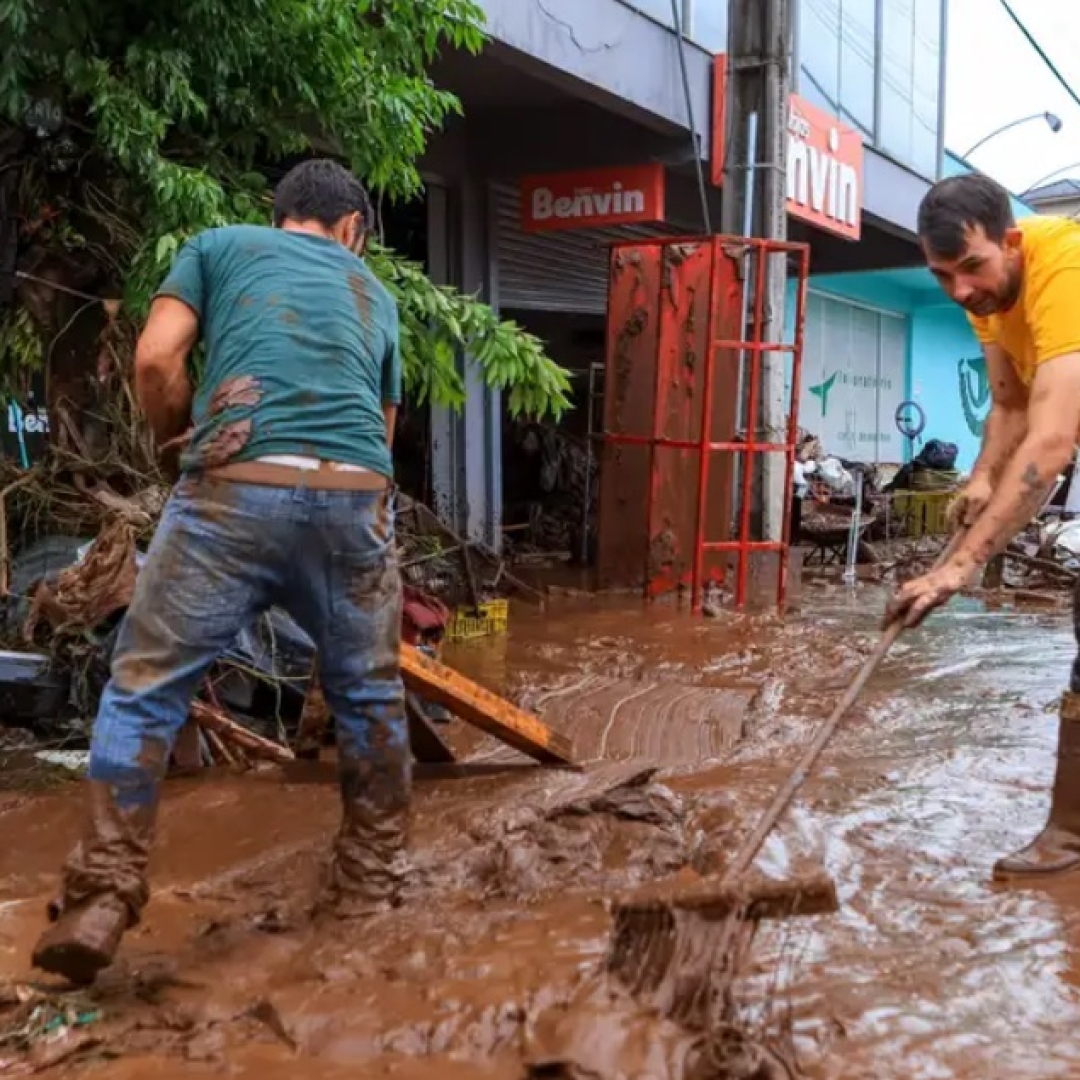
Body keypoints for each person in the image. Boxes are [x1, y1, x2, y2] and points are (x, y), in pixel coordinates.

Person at [32, 159, 409, 984]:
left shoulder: (215, 246)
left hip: (233, 490)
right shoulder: (375, 295)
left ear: (281, 216)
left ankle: (102, 895)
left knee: (144, 686)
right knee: (370, 692)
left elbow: (156, 362)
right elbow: (380, 435)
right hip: (354, 499)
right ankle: (369, 890)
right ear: (354, 230)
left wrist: (176, 440)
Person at [888, 172, 1080, 880]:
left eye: (971, 267)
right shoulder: (987, 298)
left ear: (1012, 240)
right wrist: (980, 476)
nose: (961, 290)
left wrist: (959, 566)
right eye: (943, 276)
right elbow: (1009, 407)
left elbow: (1054, 441)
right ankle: (1069, 836)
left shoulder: (1065, 265)